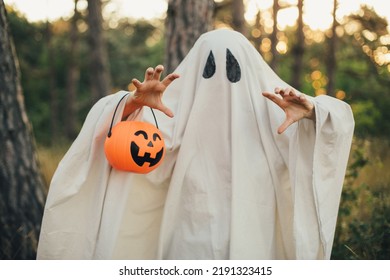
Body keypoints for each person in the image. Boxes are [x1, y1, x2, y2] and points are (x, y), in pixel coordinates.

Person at [37, 29, 354, 260]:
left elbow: (332, 126)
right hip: (187, 245)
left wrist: (314, 113)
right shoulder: (172, 119)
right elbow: (128, 146)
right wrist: (132, 105)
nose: (220, 82)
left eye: (232, 68)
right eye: (208, 69)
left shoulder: (276, 119)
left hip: (256, 244)